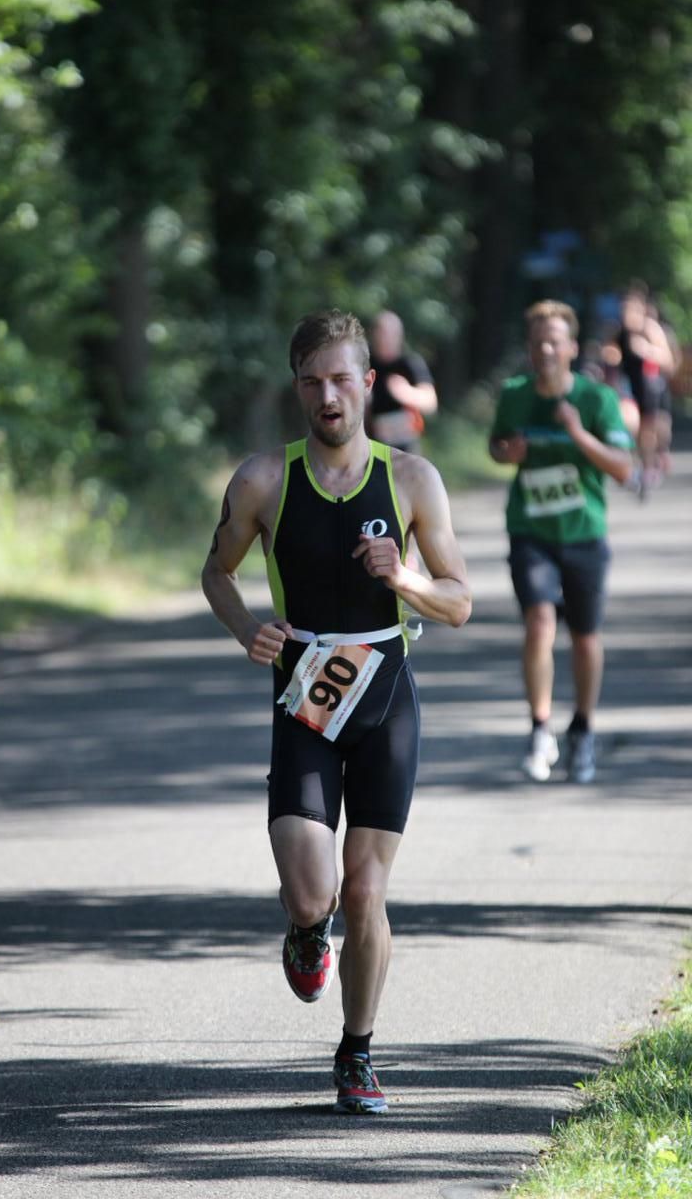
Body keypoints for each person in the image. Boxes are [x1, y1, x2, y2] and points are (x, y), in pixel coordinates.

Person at [202, 309, 470, 1114]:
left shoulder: (414, 479)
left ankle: (357, 1054)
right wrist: (248, 627)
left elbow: (458, 603)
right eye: (313, 381)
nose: (329, 395)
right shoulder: (263, 480)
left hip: (386, 692)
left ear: (367, 382)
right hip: (306, 694)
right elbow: (217, 572)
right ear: (298, 388)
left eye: (342, 378)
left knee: (366, 892)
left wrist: (408, 580)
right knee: (313, 893)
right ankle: (302, 930)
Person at [489, 300, 633, 785]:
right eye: (538, 343)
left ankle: (584, 728)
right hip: (531, 530)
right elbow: (498, 447)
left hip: (584, 534)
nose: (546, 350)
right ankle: (540, 728)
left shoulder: (597, 400)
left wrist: (577, 434)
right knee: (539, 620)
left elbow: (622, 468)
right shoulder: (514, 395)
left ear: (571, 347)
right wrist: (508, 453)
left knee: (585, 636)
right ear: (530, 350)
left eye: (555, 341)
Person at [616, 285, 677, 498]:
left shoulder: (650, 329)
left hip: (652, 389)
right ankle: (637, 466)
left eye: (631, 310)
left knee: (651, 431)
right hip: (630, 389)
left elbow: (668, 361)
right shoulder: (620, 333)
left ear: (641, 309)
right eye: (623, 310)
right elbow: (611, 356)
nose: (626, 315)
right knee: (630, 424)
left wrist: (645, 349)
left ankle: (648, 466)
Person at [366, 310, 438, 454]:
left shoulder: (410, 363)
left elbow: (431, 403)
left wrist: (405, 392)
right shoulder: (366, 363)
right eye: (380, 332)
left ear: (399, 336)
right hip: (372, 445)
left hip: (406, 448)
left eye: (389, 333)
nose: (384, 338)